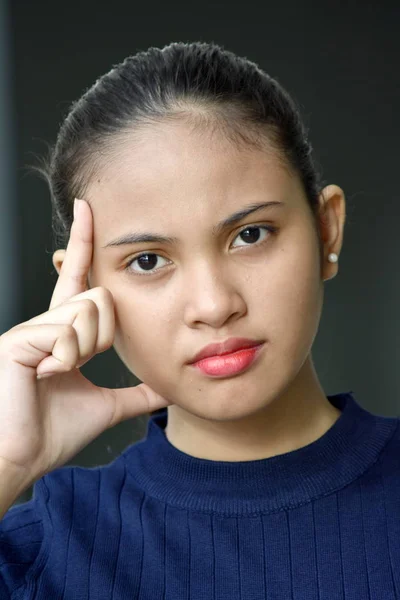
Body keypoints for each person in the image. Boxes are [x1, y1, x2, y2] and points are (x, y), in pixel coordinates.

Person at [0, 40, 398, 600]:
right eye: (147, 261)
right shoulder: (40, 551)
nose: (214, 305)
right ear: (85, 288)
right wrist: (7, 461)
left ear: (326, 229)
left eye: (250, 235)